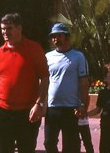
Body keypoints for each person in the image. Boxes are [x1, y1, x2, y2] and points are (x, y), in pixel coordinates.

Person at [0, 13, 49, 153]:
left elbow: (44, 78)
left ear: (19, 28)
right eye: (2, 29)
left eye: (9, 28)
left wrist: (39, 104)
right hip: (4, 112)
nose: (5, 32)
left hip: (28, 113)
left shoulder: (34, 49)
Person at [44, 23, 89, 153]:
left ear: (67, 37)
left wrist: (82, 103)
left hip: (71, 108)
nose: (55, 39)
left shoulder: (78, 56)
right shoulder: (48, 57)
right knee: (49, 143)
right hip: (52, 108)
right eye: (53, 36)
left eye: (59, 35)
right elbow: (44, 81)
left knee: (71, 146)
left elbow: (84, 82)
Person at [87, 63, 110, 153]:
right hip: (105, 125)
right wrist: (86, 114)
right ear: (105, 79)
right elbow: (98, 109)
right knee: (104, 149)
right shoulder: (102, 92)